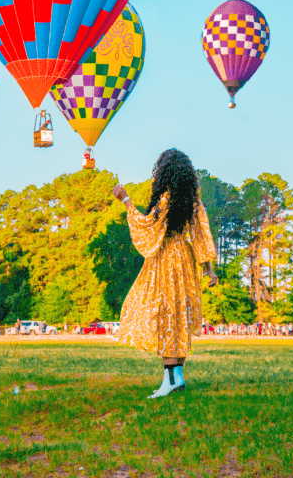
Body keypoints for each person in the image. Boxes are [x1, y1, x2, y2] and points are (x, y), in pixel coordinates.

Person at [113, 148, 217, 399]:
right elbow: (202, 236)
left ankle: (169, 380)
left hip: (167, 260)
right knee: (180, 315)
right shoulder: (194, 202)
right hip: (186, 260)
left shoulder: (166, 200)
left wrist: (126, 200)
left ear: (164, 172)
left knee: (166, 315)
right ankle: (177, 377)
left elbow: (146, 227)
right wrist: (209, 269)